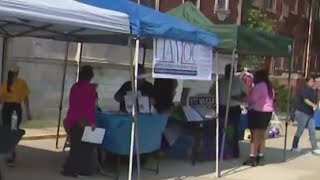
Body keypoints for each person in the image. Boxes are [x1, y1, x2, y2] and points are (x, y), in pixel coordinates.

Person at [62, 65, 98, 177]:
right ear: (90, 77)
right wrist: (91, 121)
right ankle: (84, 169)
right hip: (84, 120)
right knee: (87, 147)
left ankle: (71, 168)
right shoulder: (91, 89)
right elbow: (90, 107)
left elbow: (73, 104)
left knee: (75, 147)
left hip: (73, 119)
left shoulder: (74, 87)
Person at [209, 64, 247, 158]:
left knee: (232, 131)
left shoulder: (238, 82)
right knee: (224, 130)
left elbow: (245, 95)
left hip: (232, 108)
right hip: (223, 108)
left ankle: (233, 151)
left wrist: (237, 97)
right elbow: (212, 92)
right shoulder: (220, 81)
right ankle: (224, 151)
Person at [0, 64, 31, 167]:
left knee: (6, 131)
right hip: (15, 111)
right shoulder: (22, 83)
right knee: (13, 132)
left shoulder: (5, 84)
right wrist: (28, 112)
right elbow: (26, 99)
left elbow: (1, 100)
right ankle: (11, 156)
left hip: (6, 110)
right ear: (17, 73)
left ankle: (8, 153)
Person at [243, 70, 275, 166]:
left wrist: (245, 96)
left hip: (258, 112)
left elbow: (252, 99)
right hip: (267, 112)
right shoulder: (269, 87)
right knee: (262, 135)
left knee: (255, 136)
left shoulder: (259, 86)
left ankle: (252, 156)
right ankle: (260, 155)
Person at [291, 76, 320, 155]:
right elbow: (306, 100)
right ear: (307, 82)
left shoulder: (313, 91)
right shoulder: (303, 90)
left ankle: (315, 148)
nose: (312, 82)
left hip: (310, 113)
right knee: (300, 130)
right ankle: (294, 146)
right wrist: (314, 106)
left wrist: (316, 105)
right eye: (311, 81)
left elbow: (314, 100)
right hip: (301, 112)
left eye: (313, 81)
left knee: (312, 131)